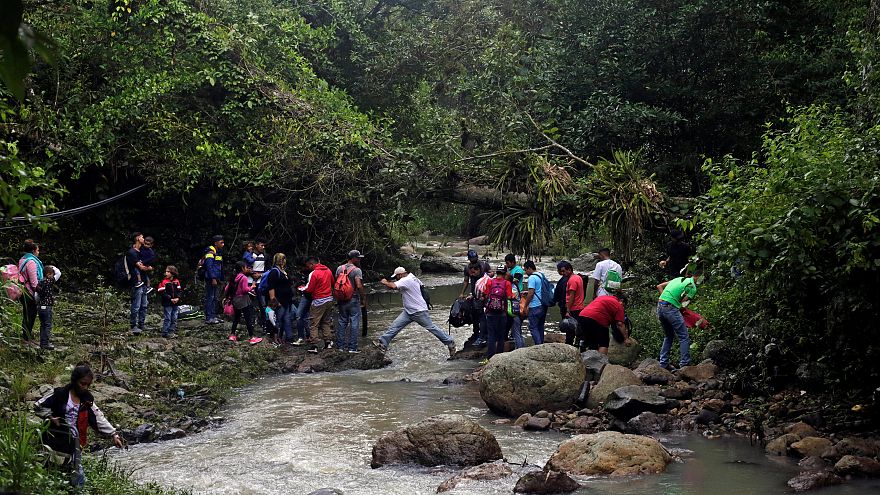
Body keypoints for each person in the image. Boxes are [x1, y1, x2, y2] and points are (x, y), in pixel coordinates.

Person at [34, 362, 124, 487]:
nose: (85, 387)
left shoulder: (87, 400)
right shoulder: (59, 394)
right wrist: (50, 417)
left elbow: (98, 418)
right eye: (82, 383)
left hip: (75, 442)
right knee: (50, 468)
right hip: (55, 438)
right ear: (74, 381)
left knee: (76, 471)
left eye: (88, 385)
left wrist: (113, 434)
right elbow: (38, 405)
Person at [374, 267, 455, 358]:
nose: (396, 279)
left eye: (396, 277)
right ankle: (383, 344)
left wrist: (384, 282)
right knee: (395, 326)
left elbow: (393, 286)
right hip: (409, 311)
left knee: (432, 328)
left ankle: (450, 342)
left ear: (400, 275)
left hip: (418, 311)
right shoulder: (412, 278)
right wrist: (388, 284)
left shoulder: (406, 280)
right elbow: (397, 288)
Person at [656, 269, 702, 371]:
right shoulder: (692, 287)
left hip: (660, 306)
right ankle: (684, 365)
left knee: (668, 336)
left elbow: (659, 286)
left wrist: (665, 300)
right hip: (671, 308)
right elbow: (683, 304)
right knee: (683, 336)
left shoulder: (680, 279)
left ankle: (663, 363)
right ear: (699, 277)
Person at [335, 250, 367, 353]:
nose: (359, 259)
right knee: (354, 322)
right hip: (353, 298)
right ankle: (352, 348)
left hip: (341, 299)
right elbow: (358, 285)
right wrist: (363, 298)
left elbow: (337, 283)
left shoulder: (340, 268)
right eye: (358, 258)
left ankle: (340, 347)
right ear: (352, 258)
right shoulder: (357, 270)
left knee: (342, 321)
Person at [482, 264, 514, 361]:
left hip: (490, 312)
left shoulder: (490, 282)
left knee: (491, 336)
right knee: (501, 336)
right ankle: (499, 358)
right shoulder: (507, 283)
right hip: (502, 313)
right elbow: (509, 297)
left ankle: (489, 358)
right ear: (505, 273)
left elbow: (486, 295)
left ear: (496, 272)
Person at [303, 256, 334, 353]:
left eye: (308, 266)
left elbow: (310, 289)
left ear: (312, 264)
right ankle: (328, 343)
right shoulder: (328, 270)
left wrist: (303, 289)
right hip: (329, 299)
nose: (308, 268)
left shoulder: (314, 273)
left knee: (314, 324)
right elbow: (333, 282)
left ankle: (314, 346)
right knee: (326, 321)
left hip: (318, 301)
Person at [460, 249, 491, 344]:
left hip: (483, 294)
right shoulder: (467, 268)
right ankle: (476, 334)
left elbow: (491, 275)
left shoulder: (484, 265)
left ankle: (482, 336)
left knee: (482, 315)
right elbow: (466, 281)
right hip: (474, 294)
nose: (473, 272)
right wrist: (462, 293)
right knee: (475, 315)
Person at [18, 239, 44, 344]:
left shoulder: (22, 259)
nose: (39, 252)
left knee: (26, 314)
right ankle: (26, 339)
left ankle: (26, 337)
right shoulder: (31, 262)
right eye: (37, 250)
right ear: (33, 251)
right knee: (30, 315)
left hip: (22, 291)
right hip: (29, 292)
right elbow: (34, 283)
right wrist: (42, 291)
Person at [228, 261, 261, 344]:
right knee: (248, 318)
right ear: (242, 268)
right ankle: (252, 337)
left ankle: (232, 335)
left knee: (236, 318)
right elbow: (245, 290)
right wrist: (252, 287)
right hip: (243, 300)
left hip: (235, 300)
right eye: (246, 267)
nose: (247, 269)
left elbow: (227, 288)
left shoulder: (233, 276)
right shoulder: (244, 278)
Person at [266, 253, 294, 347]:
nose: (284, 261)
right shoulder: (274, 272)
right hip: (279, 301)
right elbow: (271, 287)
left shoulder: (283, 271)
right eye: (282, 259)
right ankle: (275, 338)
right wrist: (274, 300)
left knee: (286, 319)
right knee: (277, 320)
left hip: (286, 300)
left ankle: (288, 338)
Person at [125, 233, 150, 334]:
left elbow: (150, 265)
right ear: (137, 238)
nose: (144, 239)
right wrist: (147, 267)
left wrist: (149, 267)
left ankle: (141, 324)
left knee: (144, 305)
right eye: (142, 237)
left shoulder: (143, 251)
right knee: (136, 305)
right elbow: (141, 267)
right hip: (136, 282)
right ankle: (133, 325)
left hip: (143, 281)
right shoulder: (132, 252)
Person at [560, 261, 586, 346]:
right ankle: (579, 345)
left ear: (570, 270)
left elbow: (571, 296)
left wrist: (568, 310)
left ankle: (569, 346)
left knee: (570, 330)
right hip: (579, 307)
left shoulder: (572, 280)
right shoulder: (578, 277)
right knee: (578, 329)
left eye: (564, 271)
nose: (562, 273)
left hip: (574, 308)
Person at [523, 260, 548, 345]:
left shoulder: (532, 278)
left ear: (529, 268)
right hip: (543, 305)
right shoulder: (541, 275)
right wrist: (528, 291)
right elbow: (538, 289)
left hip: (535, 306)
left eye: (525, 270)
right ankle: (541, 343)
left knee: (533, 327)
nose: (525, 272)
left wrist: (525, 306)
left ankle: (538, 345)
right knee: (540, 326)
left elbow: (531, 293)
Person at [35, 265, 58, 350]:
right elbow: (59, 273)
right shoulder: (49, 281)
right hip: (47, 307)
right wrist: (53, 267)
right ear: (48, 274)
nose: (53, 276)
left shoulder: (40, 282)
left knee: (42, 325)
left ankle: (42, 342)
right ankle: (45, 344)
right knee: (47, 325)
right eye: (52, 274)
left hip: (40, 306)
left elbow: (36, 293)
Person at [203, 235, 225, 325]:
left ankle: (213, 315)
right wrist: (213, 278)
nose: (223, 244)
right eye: (221, 242)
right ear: (216, 243)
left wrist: (220, 279)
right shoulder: (210, 252)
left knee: (215, 298)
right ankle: (209, 317)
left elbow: (219, 267)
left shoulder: (218, 252)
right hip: (210, 279)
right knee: (210, 297)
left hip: (217, 278)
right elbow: (209, 266)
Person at [248, 240, 269, 332]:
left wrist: (260, 275)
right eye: (261, 245)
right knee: (249, 304)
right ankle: (250, 323)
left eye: (264, 245)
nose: (263, 247)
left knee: (263, 304)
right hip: (250, 282)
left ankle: (265, 324)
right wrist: (252, 273)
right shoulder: (249, 255)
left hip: (261, 283)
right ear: (256, 245)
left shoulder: (265, 256)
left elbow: (269, 270)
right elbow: (244, 267)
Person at [157, 265, 182, 339]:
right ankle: (165, 332)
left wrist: (178, 298)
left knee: (174, 317)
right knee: (167, 317)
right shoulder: (164, 282)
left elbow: (179, 291)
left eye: (168, 272)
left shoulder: (177, 281)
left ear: (172, 273)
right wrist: (170, 298)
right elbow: (161, 292)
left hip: (176, 303)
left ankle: (171, 332)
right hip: (167, 303)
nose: (166, 273)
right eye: (166, 271)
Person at [291, 256, 311, 346]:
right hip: (302, 296)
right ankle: (301, 337)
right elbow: (294, 285)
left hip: (312, 296)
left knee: (308, 317)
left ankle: (309, 336)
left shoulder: (312, 272)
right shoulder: (299, 273)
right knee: (300, 315)